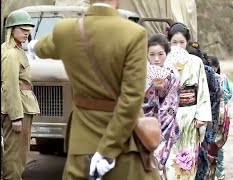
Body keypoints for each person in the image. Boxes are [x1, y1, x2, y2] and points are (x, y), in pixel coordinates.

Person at [32, 0, 159, 179]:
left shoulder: (65, 31)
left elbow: (40, 48)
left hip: (81, 141)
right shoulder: (134, 33)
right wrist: (107, 150)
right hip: (124, 144)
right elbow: (132, 98)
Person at [164, 23, 212, 180]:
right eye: (174, 43)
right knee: (169, 161)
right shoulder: (164, 60)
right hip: (170, 116)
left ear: (188, 42)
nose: (178, 46)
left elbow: (203, 91)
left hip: (190, 115)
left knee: (188, 160)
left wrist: (201, 116)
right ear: (169, 42)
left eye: (182, 42)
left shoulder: (196, 62)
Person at [1, 10, 40, 180]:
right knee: (16, 156)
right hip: (19, 109)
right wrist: (16, 116)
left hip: (22, 106)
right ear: (11, 29)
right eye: (22, 29)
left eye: (28, 29)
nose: (26, 32)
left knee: (18, 154)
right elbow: (10, 86)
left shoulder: (14, 50)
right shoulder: (11, 54)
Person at [144, 33, 181, 179]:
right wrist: (150, 90)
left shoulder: (173, 74)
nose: (156, 58)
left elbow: (171, 103)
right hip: (143, 124)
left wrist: (160, 90)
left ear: (166, 54)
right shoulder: (141, 73)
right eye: (152, 54)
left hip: (166, 123)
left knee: (161, 162)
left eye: (160, 54)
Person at [186, 42, 224, 180]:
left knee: (202, 162)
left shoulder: (208, 73)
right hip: (182, 125)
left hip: (203, 124)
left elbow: (215, 102)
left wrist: (209, 133)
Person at [209, 55, 233, 180]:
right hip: (213, 115)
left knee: (218, 145)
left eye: (213, 67)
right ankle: (214, 173)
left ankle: (219, 172)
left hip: (221, 116)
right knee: (211, 145)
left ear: (217, 67)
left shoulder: (222, 78)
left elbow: (229, 94)